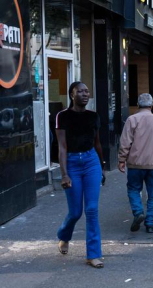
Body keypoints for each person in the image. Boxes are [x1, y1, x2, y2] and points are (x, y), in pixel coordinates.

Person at [56, 82, 105, 269]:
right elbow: (62, 147)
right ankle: (63, 235)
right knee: (75, 212)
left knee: (92, 209)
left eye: (87, 91)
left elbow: (98, 143)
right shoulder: (63, 116)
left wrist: (102, 167)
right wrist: (64, 174)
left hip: (91, 161)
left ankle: (93, 254)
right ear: (71, 94)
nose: (85, 94)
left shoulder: (94, 116)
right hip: (72, 163)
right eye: (81, 91)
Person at [118, 93, 153, 234]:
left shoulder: (131, 119)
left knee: (134, 189)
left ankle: (138, 212)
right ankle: (150, 224)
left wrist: (122, 160)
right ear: (151, 105)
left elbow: (125, 142)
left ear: (138, 105)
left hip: (135, 164)